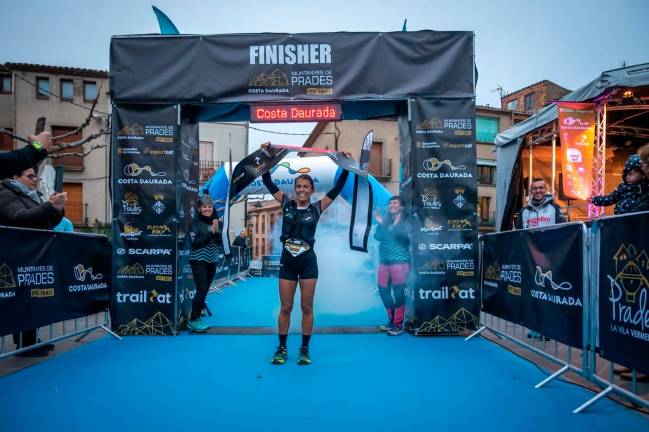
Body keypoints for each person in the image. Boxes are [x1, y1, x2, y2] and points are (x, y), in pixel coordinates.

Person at [261, 142, 350, 366]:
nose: (301, 190)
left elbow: (337, 189)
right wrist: (266, 154)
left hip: (308, 263)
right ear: (295, 189)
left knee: (307, 307)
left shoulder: (317, 208)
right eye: (298, 186)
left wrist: (346, 166)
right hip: (287, 263)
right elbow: (267, 181)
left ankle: (304, 348)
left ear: (311, 191)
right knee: (286, 307)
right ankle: (281, 348)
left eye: (305, 187)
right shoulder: (286, 203)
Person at [0, 166, 66, 357]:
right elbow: (20, 218)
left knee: (35, 298)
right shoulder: (5, 194)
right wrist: (48, 206)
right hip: (18, 255)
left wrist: (57, 210)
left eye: (35, 176)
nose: (34, 179)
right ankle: (23, 344)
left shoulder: (31, 195)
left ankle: (31, 340)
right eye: (29, 176)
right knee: (22, 299)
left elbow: (45, 222)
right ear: (15, 177)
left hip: (35, 254)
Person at [516, 177, 562, 341]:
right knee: (533, 294)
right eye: (535, 188)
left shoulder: (555, 208)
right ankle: (535, 328)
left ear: (546, 189)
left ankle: (548, 330)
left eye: (541, 188)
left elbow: (563, 231)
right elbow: (519, 233)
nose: (538, 191)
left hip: (549, 258)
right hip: (530, 259)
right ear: (531, 191)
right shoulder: (524, 211)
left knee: (548, 294)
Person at [374, 196, 411, 336]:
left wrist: (393, 225)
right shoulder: (385, 220)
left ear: (401, 206)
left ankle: (398, 324)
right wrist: (383, 224)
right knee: (383, 290)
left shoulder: (407, 220)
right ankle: (391, 321)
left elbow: (403, 238)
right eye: (390, 203)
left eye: (394, 203)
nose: (391, 205)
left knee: (398, 293)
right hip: (384, 261)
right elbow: (377, 237)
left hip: (400, 261)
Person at [187, 194, 221, 333]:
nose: (207, 209)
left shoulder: (216, 221)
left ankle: (197, 315)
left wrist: (217, 232)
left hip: (212, 260)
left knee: (205, 290)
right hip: (198, 260)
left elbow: (219, 242)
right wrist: (211, 233)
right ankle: (193, 320)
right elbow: (195, 244)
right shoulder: (195, 223)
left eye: (209, 206)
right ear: (199, 209)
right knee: (201, 290)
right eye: (204, 207)